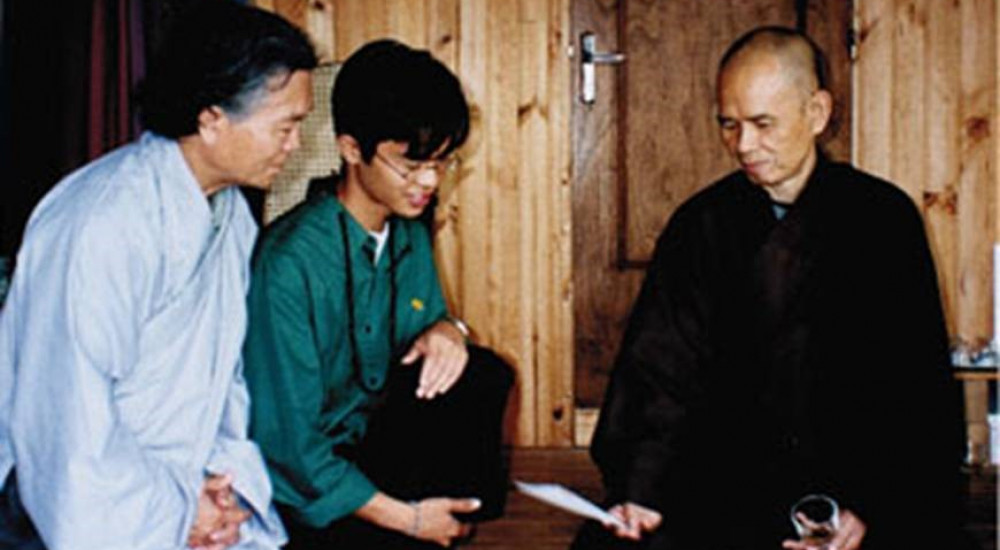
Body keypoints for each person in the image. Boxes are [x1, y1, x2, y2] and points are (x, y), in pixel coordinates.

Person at [572, 26, 969, 550]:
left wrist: (865, 508)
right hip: (733, 482)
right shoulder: (702, 225)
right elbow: (659, 374)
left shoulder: (881, 220)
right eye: (729, 125)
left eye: (763, 124)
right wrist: (640, 491)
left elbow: (913, 390)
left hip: (854, 486)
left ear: (818, 113)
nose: (744, 145)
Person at [0, 3, 317, 549]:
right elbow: (66, 423)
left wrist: (222, 491)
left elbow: (224, 382)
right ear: (211, 119)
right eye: (285, 127)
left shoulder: (231, 216)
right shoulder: (102, 222)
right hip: (75, 498)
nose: (295, 146)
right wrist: (174, 509)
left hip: (185, 483)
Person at [242, 39, 513, 550]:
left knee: (481, 374)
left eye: (442, 162)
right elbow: (290, 449)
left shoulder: (405, 229)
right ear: (350, 149)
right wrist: (407, 519)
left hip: (378, 447)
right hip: (310, 488)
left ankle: (437, 521)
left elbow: (425, 337)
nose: (429, 181)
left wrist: (446, 330)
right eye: (410, 166)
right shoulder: (289, 265)